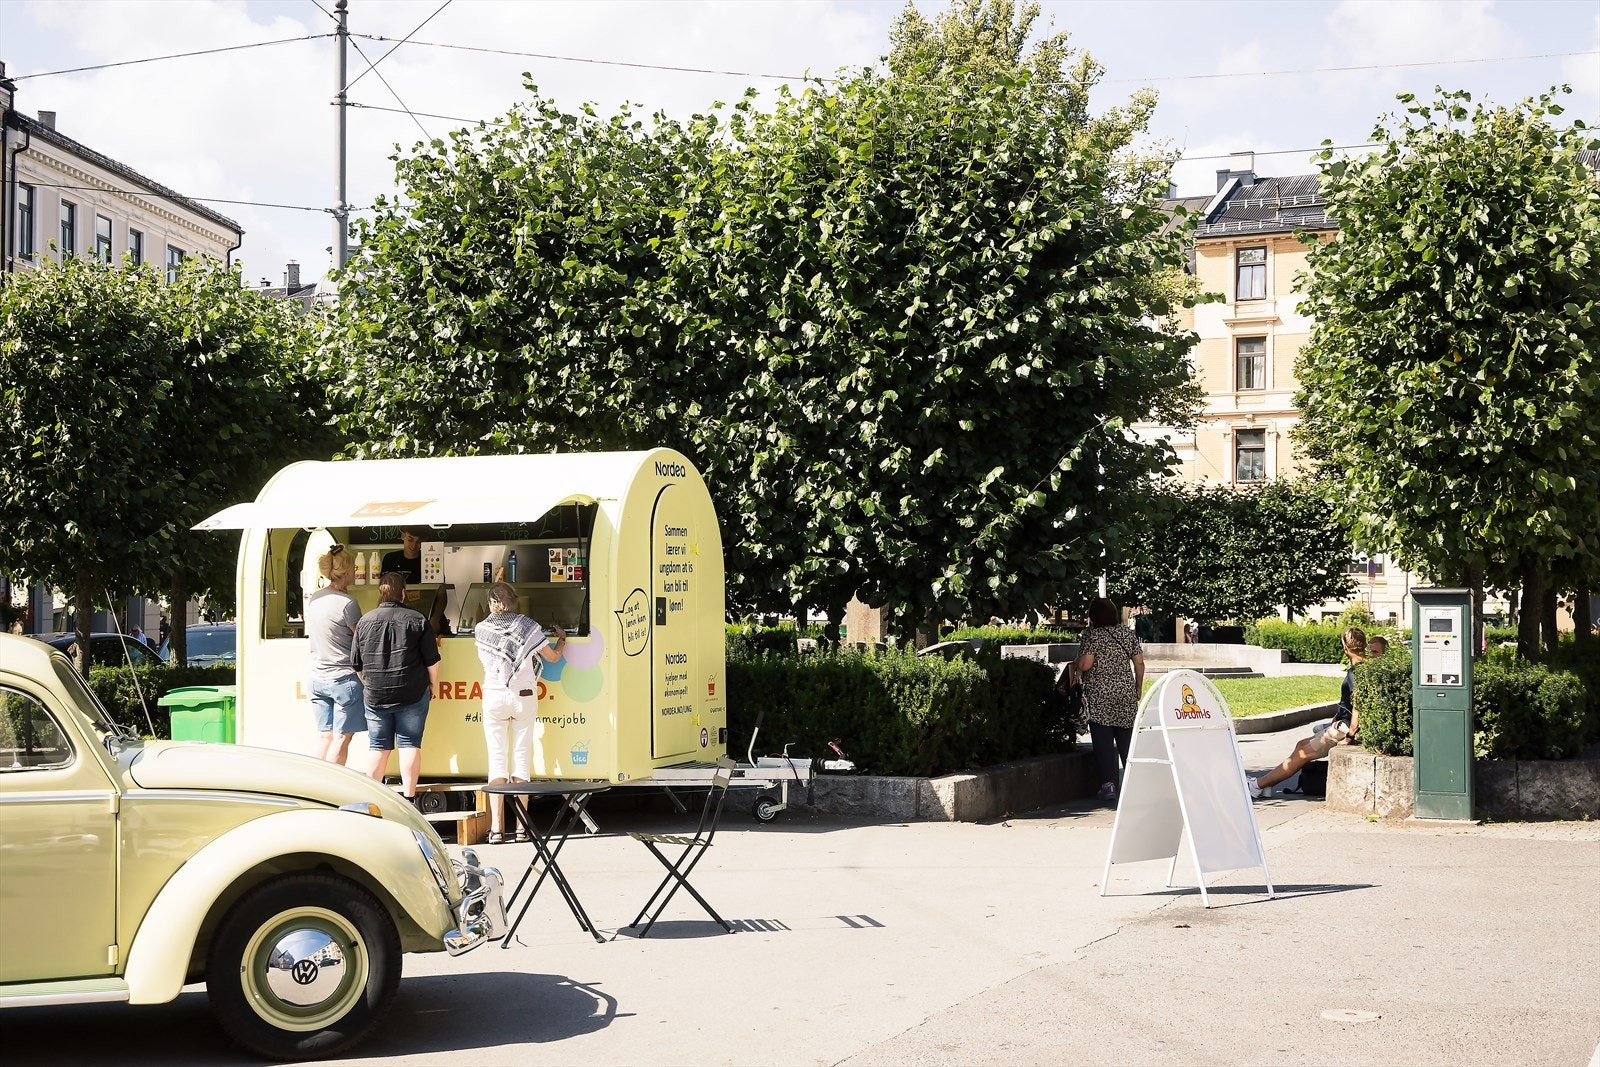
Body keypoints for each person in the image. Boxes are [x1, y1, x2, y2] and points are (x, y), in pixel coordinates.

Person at [472, 582, 567, 843]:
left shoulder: (481, 629)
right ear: (515, 601)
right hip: (523, 696)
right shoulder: (528, 626)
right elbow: (552, 658)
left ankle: (496, 829)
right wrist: (562, 639)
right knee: (522, 757)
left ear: (491, 604)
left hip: (494, 696)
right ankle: (522, 829)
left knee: (496, 760)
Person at [352, 571, 440, 804]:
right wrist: (433, 684)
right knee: (409, 744)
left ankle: (370, 801)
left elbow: (356, 663)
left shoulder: (364, 621)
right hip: (412, 692)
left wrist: (369, 683)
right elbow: (432, 660)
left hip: (375, 695)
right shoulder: (417, 619)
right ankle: (409, 799)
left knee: (377, 746)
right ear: (403, 593)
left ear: (380, 593)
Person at [1249, 626, 1368, 798]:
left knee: (1302, 753)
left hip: (1344, 729)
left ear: (1345, 647)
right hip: (1341, 724)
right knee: (1301, 745)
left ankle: (1257, 785)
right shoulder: (1364, 668)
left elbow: (1359, 705)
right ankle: (1268, 784)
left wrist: (1350, 736)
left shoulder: (1355, 672)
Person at [1075, 597, 1145, 804]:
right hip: (1125, 693)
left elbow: (1086, 665)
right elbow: (1139, 663)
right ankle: (1135, 783)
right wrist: (1138, 687)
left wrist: (1077, 662)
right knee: (1127, 739)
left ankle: (1108, 786)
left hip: (1100, 694)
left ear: (1093, 616)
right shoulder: (1126, 633)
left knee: (1103, 741)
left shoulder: (1092, 635)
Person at [305, 544, 365, 765]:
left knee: (325, 737)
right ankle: (333, 781)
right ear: (347, 572)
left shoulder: (315, 598)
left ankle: (314, 780)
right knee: (341, 738)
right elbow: (362, 639)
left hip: (317, 678)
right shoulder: (348, 604)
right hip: (343, 679)